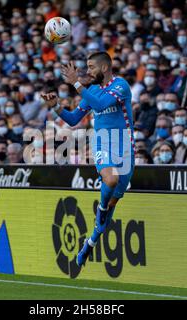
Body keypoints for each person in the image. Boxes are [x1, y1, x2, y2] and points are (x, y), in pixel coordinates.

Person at [41, 52, 134, 268]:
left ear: (104, 68)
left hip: (125, 146)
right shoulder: (91, 90)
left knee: (112, 206)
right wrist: (56, 106)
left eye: (91, 67)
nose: (88, 71)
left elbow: (101, 105)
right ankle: (100, 209)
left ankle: (89, 245)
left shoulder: (120, 86)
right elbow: (73, 119)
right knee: (110, 180)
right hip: (102, 142)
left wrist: (75, 83)